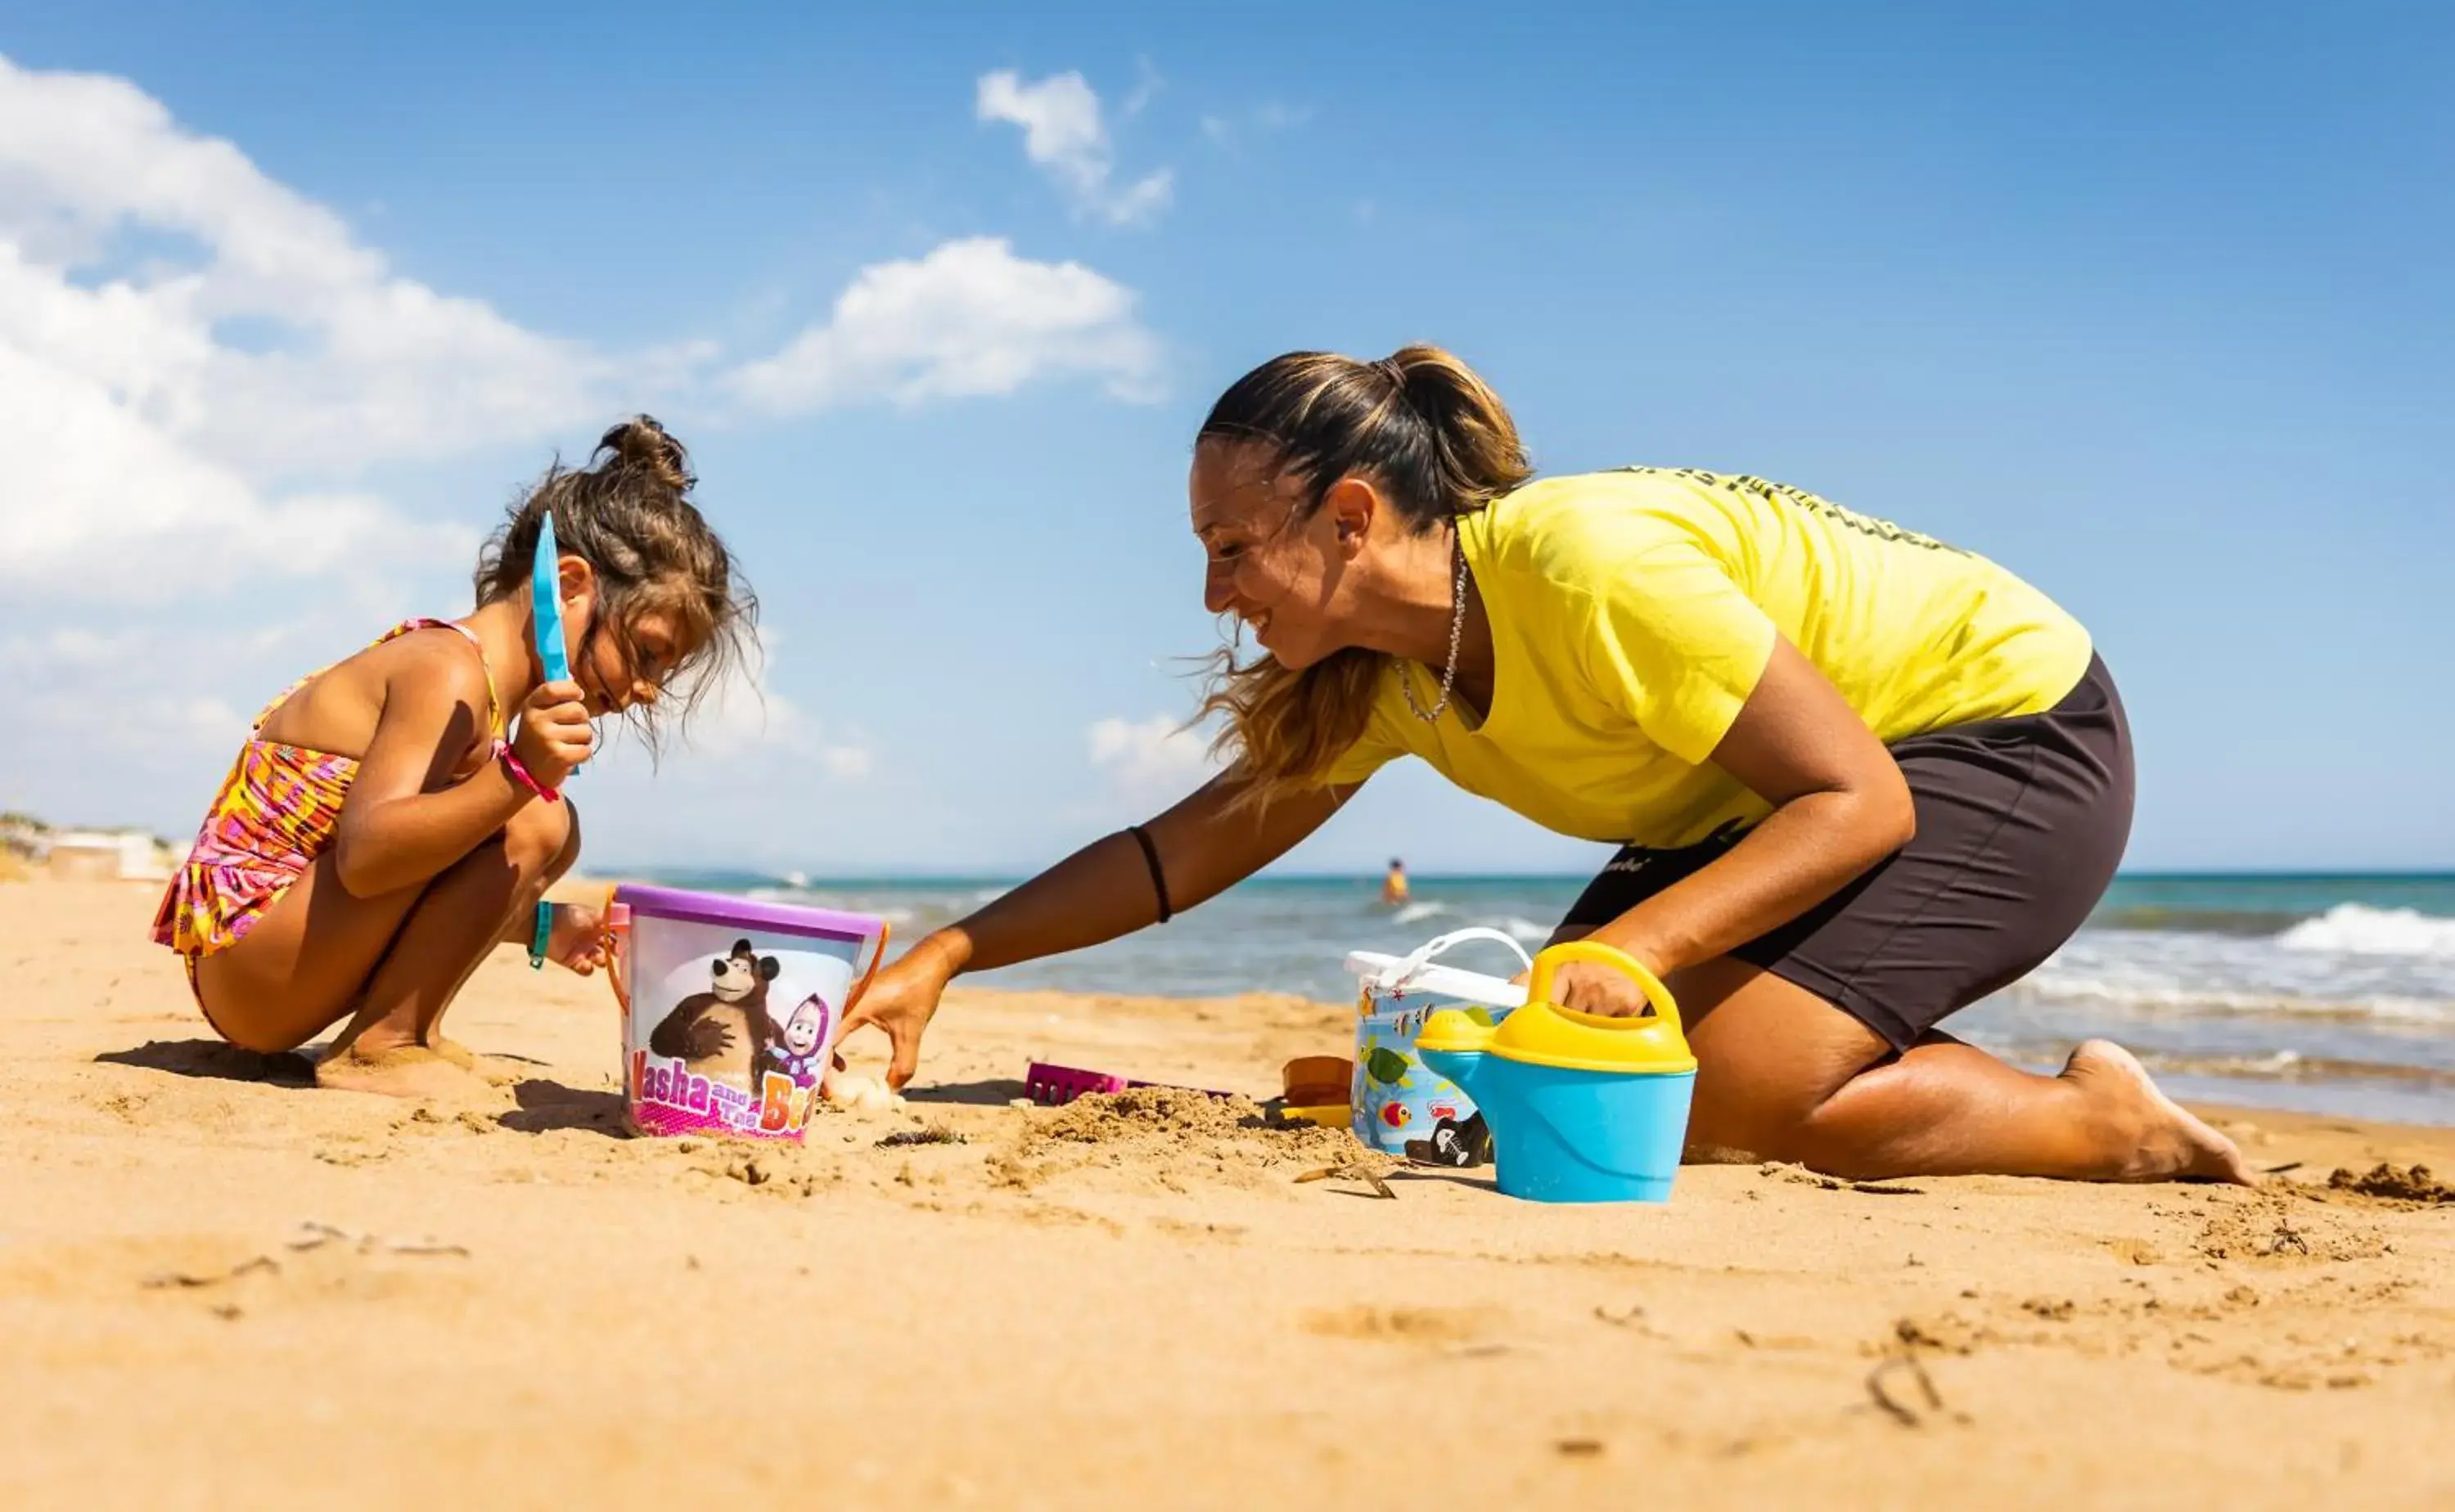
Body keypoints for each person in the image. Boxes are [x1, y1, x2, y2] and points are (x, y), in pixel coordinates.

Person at [839, 345, 2250, 1184]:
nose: (1214, 597)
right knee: (1568, 1090)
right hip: (1778, 795)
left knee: (1722, 1089)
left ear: (1346, 514)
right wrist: (952, 954)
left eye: (1230, 549)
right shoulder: (1392, 675)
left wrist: (1631, 959)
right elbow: (1182, 850)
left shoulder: (1582, 568)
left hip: (2002, 730)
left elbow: (1860, 800)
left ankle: (2103, 1127)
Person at [152, 417, 756, 1103]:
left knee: (542, 820)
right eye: (647, 652)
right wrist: (519, 772)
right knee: (538, 819)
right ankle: (385, 1046)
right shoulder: (448, 671)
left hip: (264, 966)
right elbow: (368, 855)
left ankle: (415, 1034)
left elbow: (421, 873)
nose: (646, 688)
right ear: (569, 585)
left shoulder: (482, 688)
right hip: (252, 962)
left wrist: (542, 926)